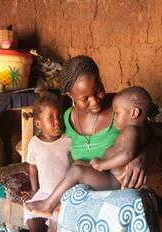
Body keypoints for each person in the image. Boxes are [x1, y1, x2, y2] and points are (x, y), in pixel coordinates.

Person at [41, 55, 160, 232]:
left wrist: (142, 158)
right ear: (70, 97)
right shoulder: (66, 118)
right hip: (90, 186)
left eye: (99, 91)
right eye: (84, 98)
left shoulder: (121, 107)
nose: (95, 101)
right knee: (73, 196)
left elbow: (159, 137)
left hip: (121, 185)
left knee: (124, 204)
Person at [25, 86, 154, 215]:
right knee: (78, 163)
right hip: (109, 174)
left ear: (134, 113)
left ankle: (48, 205)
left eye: (118, 113)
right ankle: (59, 200)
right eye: (85, 97)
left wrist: (103, 164)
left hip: (116, 180)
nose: (114, 117)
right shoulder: (132, 130)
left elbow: (127, 154)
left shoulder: (131, 130)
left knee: (77, 171)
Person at [23, 92, 71, 232]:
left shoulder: (68, 141)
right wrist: (35, 191)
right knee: (30, 213)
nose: (57, 121)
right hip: (44, 191)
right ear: (38, 124)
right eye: (50, 118)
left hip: (64, 194)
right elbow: (32, 167)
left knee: (55, 222)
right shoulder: (34, 143)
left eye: (58, 116)